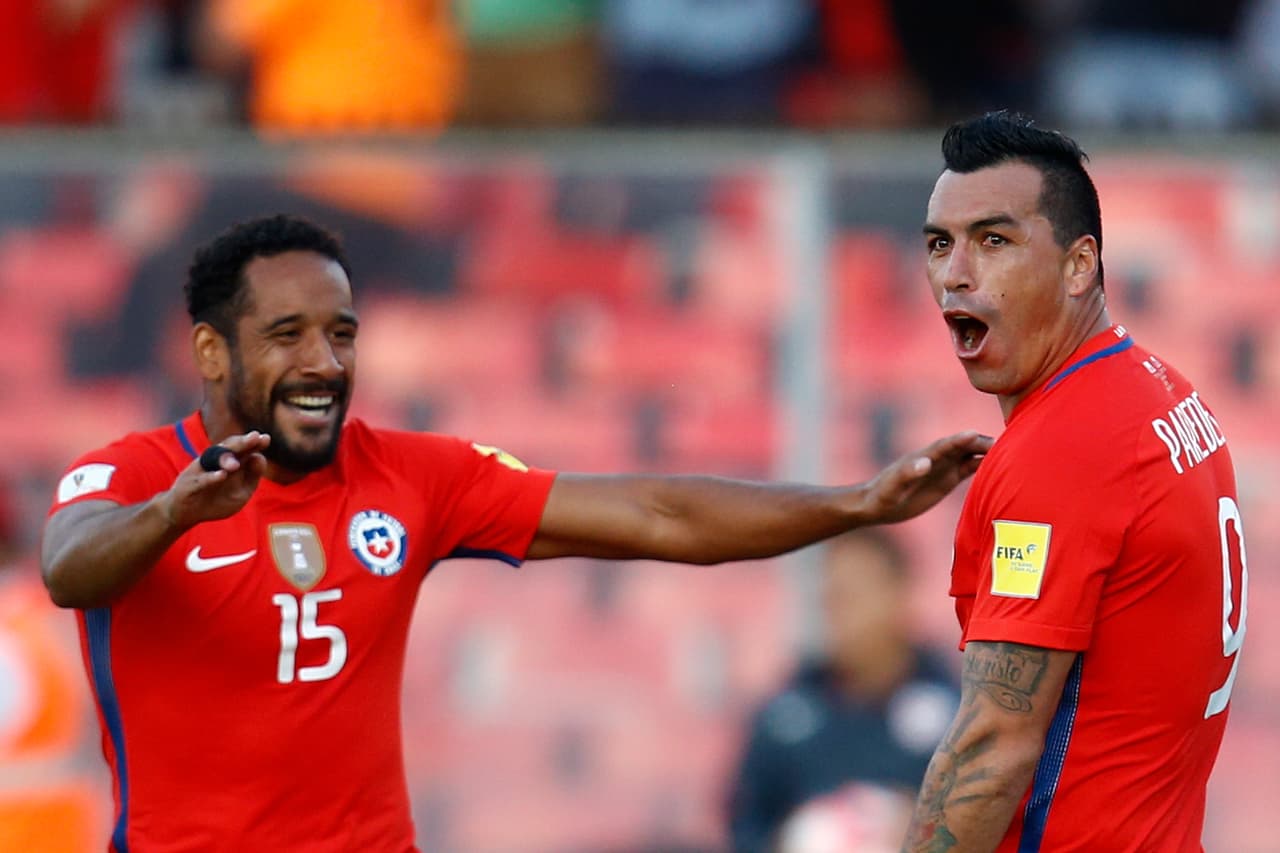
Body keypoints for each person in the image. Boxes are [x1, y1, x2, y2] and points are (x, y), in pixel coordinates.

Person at [39, 214, 991, 853]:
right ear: (212, 351)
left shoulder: (410, 476)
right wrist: (175, 512)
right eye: (287, 334)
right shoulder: (131, 475)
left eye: (342, 333)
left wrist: (854, 504)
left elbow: (655, 514)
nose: (324, 362)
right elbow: (69, 568)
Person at [903, 111, 1247, 852]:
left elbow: (992, 748)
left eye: (993, 240)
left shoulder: (1066, 449)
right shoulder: (1164, 393)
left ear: (1079, 265)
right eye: (940, 244)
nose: (956, 271)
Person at [728, 528, 959, 853]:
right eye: (829, 598)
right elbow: (745, 826)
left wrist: (931, 830)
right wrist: (798, 837)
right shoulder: (783, 717)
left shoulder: (958, 713)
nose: (836, 613)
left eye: (851, 596)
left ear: (898, 594)